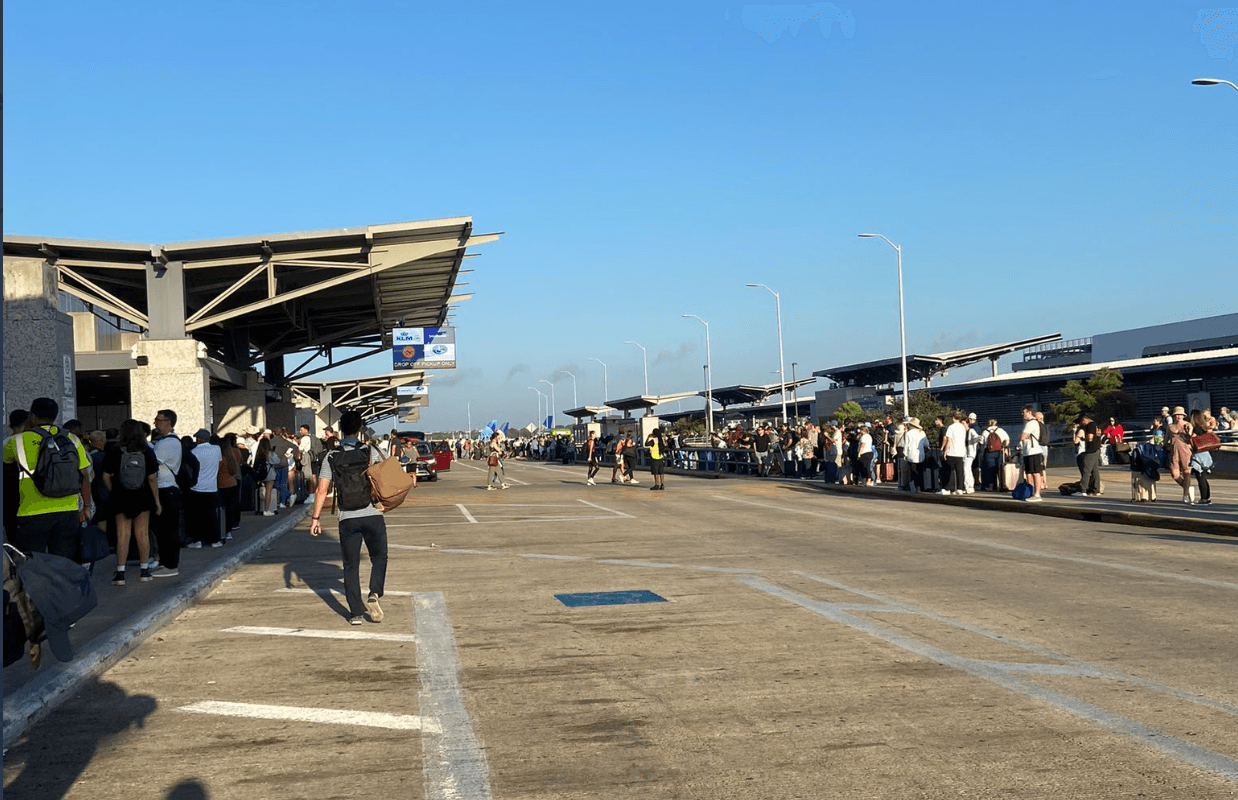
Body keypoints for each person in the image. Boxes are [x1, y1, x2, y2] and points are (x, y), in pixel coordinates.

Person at [309, 411, 388, 626]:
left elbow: (322, 490)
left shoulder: (331, 456)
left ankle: (355, 613)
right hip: (372, 513)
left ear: (341, 430)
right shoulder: (370, 451)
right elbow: (384, 480)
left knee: (350, 565)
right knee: (379, 557)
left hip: (347, 517)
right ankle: (374, 592)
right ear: (360, 428)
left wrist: (316, 518)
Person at [2, 397, 92, 558]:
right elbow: (84, 475)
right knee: (63, 561)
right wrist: (86, 507)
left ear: (32, 416)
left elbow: (6, 463)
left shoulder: (17, 441)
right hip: (68, 510)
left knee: (32, 562)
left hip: (31, 512)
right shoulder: (72, 439)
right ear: (55, 416)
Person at [102, 419, 160, 585]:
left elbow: (106, 476)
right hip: (142, 496)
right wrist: (157, 501)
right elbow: (151, 478)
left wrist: (113, 490)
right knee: (142, 534)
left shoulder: (114, 451)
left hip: (121, 496)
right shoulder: (146, 451)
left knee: (123, 535)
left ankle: (120, 573)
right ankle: (144, 571)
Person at [185, 429, 222, 548]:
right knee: (212, 515)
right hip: (212, 487)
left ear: (199, 439)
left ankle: (197, 541)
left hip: (197, 487)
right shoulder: (217, 449)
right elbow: (219, 463)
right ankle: (215, 540)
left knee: (197, 516)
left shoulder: (194, 451)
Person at [1165, 406, 1195, 503]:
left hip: (1186, 450)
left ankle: (1185, 495)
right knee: (1174, 474)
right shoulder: (1170, 427)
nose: (1178, 416)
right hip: (1174, 451)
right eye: (1176, 415)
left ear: (1183, 416)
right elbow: (1166, 440)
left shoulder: (1188, 424)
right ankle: (1187, 488)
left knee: (1186, 472)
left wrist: (1188, 432)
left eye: (1180, 415)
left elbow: (1191, 437)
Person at [1019, 405, 1046, 502]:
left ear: (1029, 412)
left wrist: (1023, 436)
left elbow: (1023, 436)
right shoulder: (1030, 423)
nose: (1023, 415)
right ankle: (1031, 492)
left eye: (1024, 412)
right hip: (1028, 451)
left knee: (1035, 473)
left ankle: (1037, 494)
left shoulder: (1031, 423)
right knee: (1029, 473)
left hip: (1033, 451)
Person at [218, 433, 242, 538]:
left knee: (222, 508)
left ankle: (222, 529)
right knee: (232, 506)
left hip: (221, 484)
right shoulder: (234, 454)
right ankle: (230, 528)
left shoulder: (220, 458)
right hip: (233, 481)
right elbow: (241, 461)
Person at [1188, 409, 1215, 506]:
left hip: (1198, 454)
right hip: (1205, 454)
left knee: (1200, 477)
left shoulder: (1196, 429)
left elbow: (1191, 440)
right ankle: (1207, 497)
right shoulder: (1204, 428)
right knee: (1203, 477)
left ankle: (1204, 498)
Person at [1073, 411, 1101, 496]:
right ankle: (1095, 489)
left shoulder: (1090, 426)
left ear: (1084, 419)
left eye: (1081, 421)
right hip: (1096, 449)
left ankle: (1083, 490)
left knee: (1086, 470)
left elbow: (1090, 438)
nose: (1081, 423)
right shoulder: (1096, 425)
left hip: (1090, 450)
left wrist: (1082, 438)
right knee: (1094, 470)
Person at [940, 412, 969, 495]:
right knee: (959, 471)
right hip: (961, 451)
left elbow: (948, 440)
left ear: (953, 418)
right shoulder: (962, 427)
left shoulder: (951, 427)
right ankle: (960, 488)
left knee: (948, 470)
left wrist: (945, 452)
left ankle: (947, 488)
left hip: (952, 451)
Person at [978, 419, 1010, 491]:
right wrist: (1004, 447)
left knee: (989, 470)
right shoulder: (1000, 430)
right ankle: (1001, 485)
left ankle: (991, 486)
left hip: (989, 452)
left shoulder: (985, 432)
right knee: (999, 469)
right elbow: (1007, 439)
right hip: (999, 452)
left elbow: (982, 443)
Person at [253, 437, 279, 515]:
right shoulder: (270, 453)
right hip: (269, 474)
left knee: (261, 490)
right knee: (268, 492)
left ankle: (260, 508)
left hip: (260, 474)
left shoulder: (258, 453)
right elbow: (277, 461)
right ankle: (267, 509)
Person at [901, 418, 928, 492]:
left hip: (911, 455)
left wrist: (905, 454)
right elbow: (927, 444)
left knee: (912, 472)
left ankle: (914, 486)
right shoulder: (922, 433)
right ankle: (920, 486)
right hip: (921, 455)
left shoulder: (908, 433)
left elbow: (906, 445)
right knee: (920, 471)